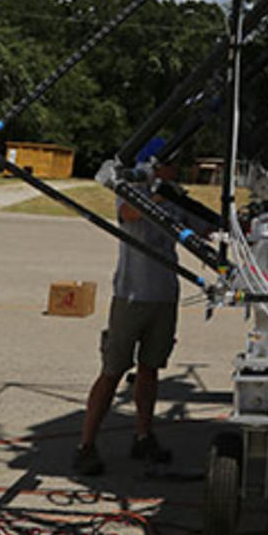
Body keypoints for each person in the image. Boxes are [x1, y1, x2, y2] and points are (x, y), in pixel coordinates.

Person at [72, 138, 200, 476]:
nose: (180, 167)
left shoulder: (176, 196)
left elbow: (202, 226)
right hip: (131, 296)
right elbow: (127, 214)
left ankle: (143, 436)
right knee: (113, 370)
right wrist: (156, 191)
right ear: (155, 165)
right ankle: (86, 445)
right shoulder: (132, 190)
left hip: (164, 296)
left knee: (150, 368)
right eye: (172, 162)